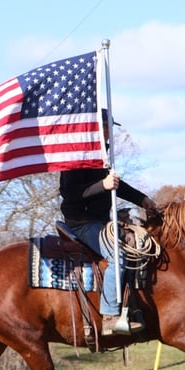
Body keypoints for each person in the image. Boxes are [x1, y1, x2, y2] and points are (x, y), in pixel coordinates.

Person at [59, 111, 157, 336]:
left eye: (109, 127)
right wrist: (103, 185)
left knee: (137, 247)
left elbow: (116, 185)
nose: (109, 132)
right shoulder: (75, 155)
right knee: (117, 256)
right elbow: (70, 193)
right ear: (93, 128)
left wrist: (142, 199)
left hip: (102, 221)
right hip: (82, 222)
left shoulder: (102, 153)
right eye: (105, 127)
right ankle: (110, 316)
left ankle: (132, 306)